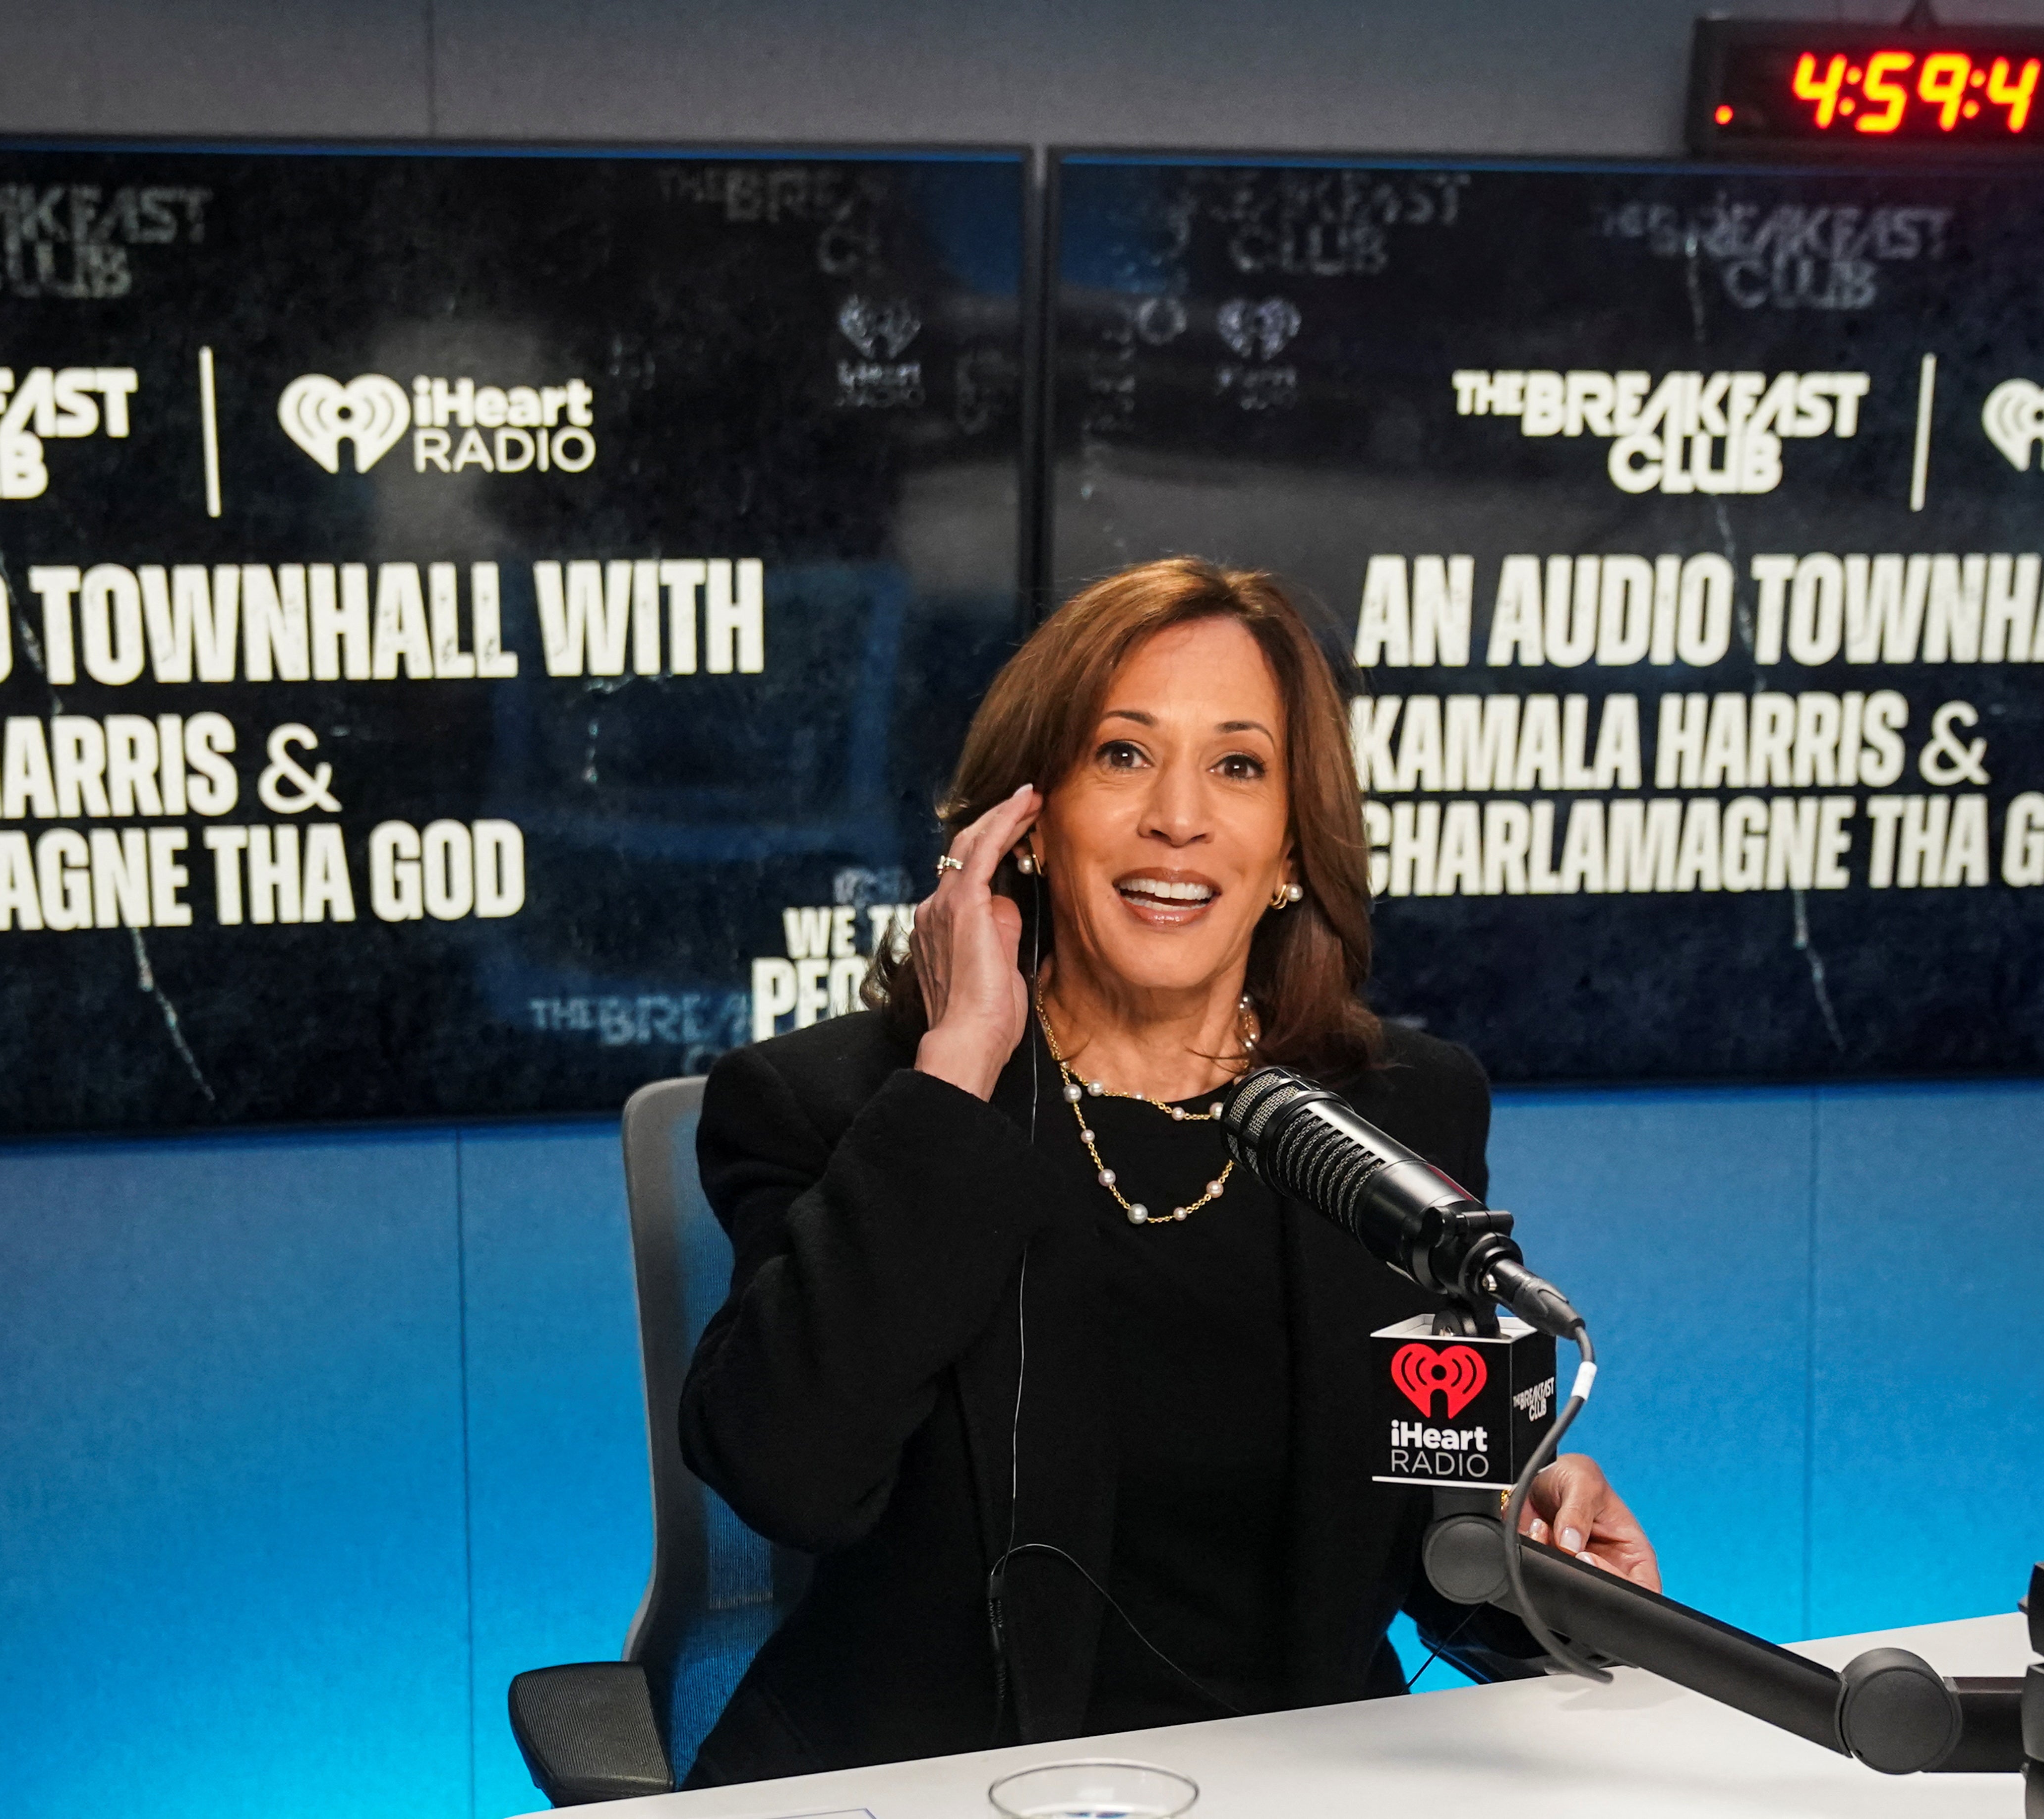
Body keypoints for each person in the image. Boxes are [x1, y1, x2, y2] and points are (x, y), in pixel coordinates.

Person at [678, 557, 1657, 1785]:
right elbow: (787, 1473)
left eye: (1237, 766)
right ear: (1024, 827)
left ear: (1293, 840)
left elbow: (1423, 1533)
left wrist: (1529, 1550)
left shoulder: (1400, 1110)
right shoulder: (844, 1106)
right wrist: (957, 1068)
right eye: (1121, 755)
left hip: (1293, 1786)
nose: (1177, 817)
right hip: (933, 1789)